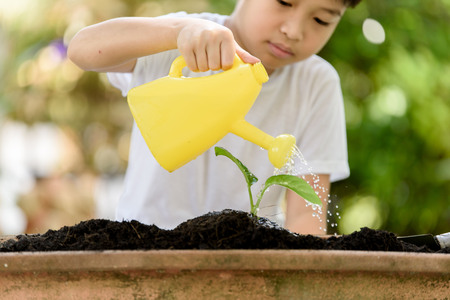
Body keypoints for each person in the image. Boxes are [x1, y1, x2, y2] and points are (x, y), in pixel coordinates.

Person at [68, 0, 362, 235]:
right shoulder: (181, 41)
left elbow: (306, 216)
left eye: (321, 19)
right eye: (284, 2)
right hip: (143, 248)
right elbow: (81, 49)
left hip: (245, 264)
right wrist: (177, 31)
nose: (294, 30)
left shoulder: (315, 83)